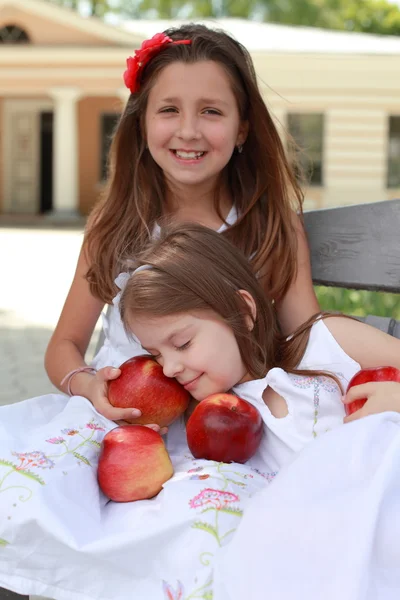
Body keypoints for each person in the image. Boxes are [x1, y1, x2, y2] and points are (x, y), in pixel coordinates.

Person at [1, 224, 400, 600]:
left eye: (184, 343)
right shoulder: (202, 424)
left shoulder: (324, 343)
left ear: (242, 312)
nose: (170, 368)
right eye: (156, 354)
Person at [43, 23, 320, 426]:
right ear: (142, 124)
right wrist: (87, 385)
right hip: (120, 422)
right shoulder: (117, 223)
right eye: (169, 110)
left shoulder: (270, 226)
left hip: (229, 424)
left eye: (211, 111)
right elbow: (63, 345)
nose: (188, 131)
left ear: (242, 127)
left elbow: (308, 339)